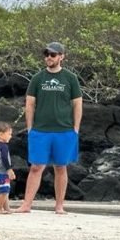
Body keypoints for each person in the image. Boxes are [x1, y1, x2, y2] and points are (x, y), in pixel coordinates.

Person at [15, 41, 82, 215]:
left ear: (61, 56)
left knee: (60, 167)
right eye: (46, 54)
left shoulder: (70, 78)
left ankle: (59, 206)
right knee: (36, 167)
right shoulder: (38, 78)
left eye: (53, 55)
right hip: (40, 130)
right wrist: (30, 127)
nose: (49, 58)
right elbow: (29, 104)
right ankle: (26, 205)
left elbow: (77, 104)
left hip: (65, 130)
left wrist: (76, 128)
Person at [0, 121, 16, 214]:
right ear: (1, 134)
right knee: (4, 191)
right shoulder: (3, 146)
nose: (11, 136)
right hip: (2, 172)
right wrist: (9, 169)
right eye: (9, 134)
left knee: (6, 190)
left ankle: (7, 208)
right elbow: (4, 158)